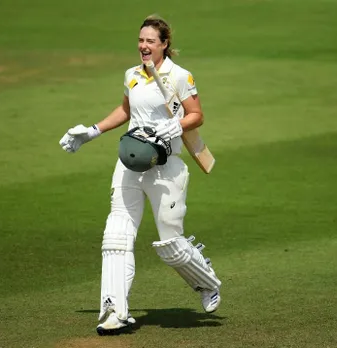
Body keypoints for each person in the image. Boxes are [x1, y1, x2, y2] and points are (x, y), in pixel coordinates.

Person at [59, 15, 222, 335]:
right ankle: (113, 310)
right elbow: (125, 110)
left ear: (164, 45)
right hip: (130, 164)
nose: (143, 46)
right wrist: (93, 131)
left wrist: (176, 125)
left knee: (171, 245)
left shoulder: (179, 76)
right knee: (116, 236)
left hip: (165, 168)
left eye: (150, 41)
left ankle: (206, 283)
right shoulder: (132, 75)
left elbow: (197, 115)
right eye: (140, 40)